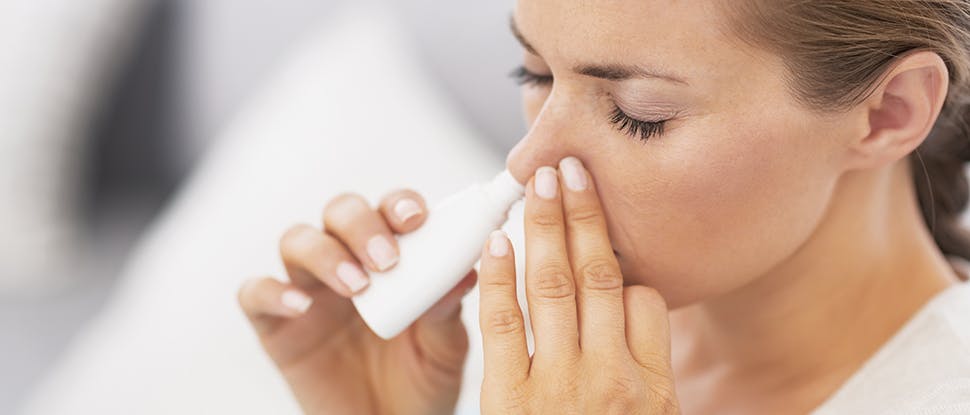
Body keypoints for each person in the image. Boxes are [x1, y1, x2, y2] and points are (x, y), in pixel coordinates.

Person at [237, 1, 970, 413]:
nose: (526, 161)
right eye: (534, 71)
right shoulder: (543, 367)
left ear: (888, 112)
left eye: (636, 112)